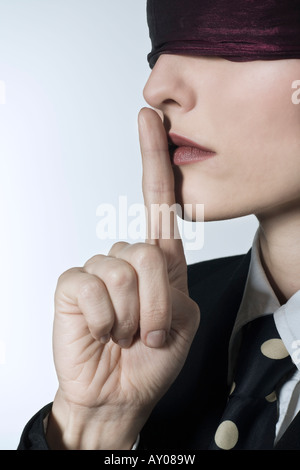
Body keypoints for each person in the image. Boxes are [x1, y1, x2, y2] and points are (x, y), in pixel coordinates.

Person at [18, 0, 300, 450]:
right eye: (164, 40)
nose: (156, 87)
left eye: (226, 38)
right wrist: (93, 429)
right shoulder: (152, 326)